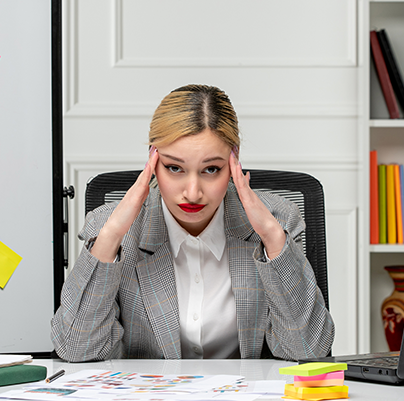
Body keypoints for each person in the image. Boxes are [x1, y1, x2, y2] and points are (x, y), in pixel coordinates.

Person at [51, 85, 334, 362]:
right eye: (175, 168)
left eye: (211, 169)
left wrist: (272, 236)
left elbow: (308, 350)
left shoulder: (277, 220)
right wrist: (112, 235)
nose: (193, 192)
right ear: (153, 160)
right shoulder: (110, 228)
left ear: (234, 161)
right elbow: (77, 349)